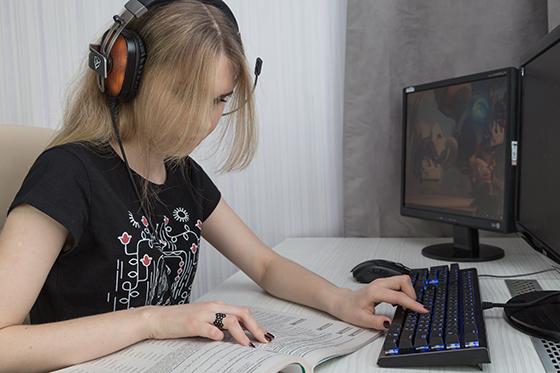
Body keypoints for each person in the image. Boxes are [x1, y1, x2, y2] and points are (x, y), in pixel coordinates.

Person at [0, 1, 427, 371]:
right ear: (125, 78)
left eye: (220, 99)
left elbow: (264, 265)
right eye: (187, 96)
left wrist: (341, 301)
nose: (206, 122)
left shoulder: (182, 173)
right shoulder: (66, 173)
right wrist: (153, 320)